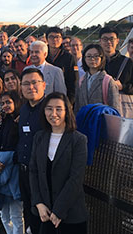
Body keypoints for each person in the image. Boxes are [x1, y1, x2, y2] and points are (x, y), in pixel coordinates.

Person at [29, 92, 88, 234]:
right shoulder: (39, 137)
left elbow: (76, 178)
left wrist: (59, 210)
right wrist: (38, 203)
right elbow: (33, 171)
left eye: (58, 109)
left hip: (70, 213)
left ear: (67, 111)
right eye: (49, 108)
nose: (53, 113)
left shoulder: (78, 140)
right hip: (44, 212)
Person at [0, 91, 24, 234]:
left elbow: (23, 146)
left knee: (16, 214)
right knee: (4, 213)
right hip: (0, 170)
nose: (5, 106)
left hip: (14, 173)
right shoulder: (7, 120)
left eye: (8, 102)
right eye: (3, 103)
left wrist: (7, 159)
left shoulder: (22, 120)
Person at [16, 68, 46, 234]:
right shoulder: (24, 109)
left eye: (35, 83)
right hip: (24, 170)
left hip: (42, 174)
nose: (30, 87)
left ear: (44, 85)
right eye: (26, 84)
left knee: (43, 215)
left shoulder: (51, 109)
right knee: (29, 211)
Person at [99, 27, 133, 120]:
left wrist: (122, 87)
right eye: (105, 39)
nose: (108, 42)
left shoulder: (127, 62)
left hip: (123, 111)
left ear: (117, 41)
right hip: (101, 109)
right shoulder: (97, 63)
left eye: (112, 39)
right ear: (100, 41)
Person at [74, 44, 121, 115]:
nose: (92, 59)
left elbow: (115, 108)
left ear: (102, 58)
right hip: (84, 122)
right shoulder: (81, 80)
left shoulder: (108, 81)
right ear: (84, 59)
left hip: (102, 122)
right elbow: (77, 106)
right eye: (89, 56)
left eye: (96, 56)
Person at [46, 27, 77, 105]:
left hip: (63, 97)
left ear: (61, 39)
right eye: (51, 37)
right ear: (47, 39)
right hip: (45, 97)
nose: (55, 39)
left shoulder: (68, 57)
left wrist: (69, 102)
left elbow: (72, 81)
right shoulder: (43, 56)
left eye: (57, 37)